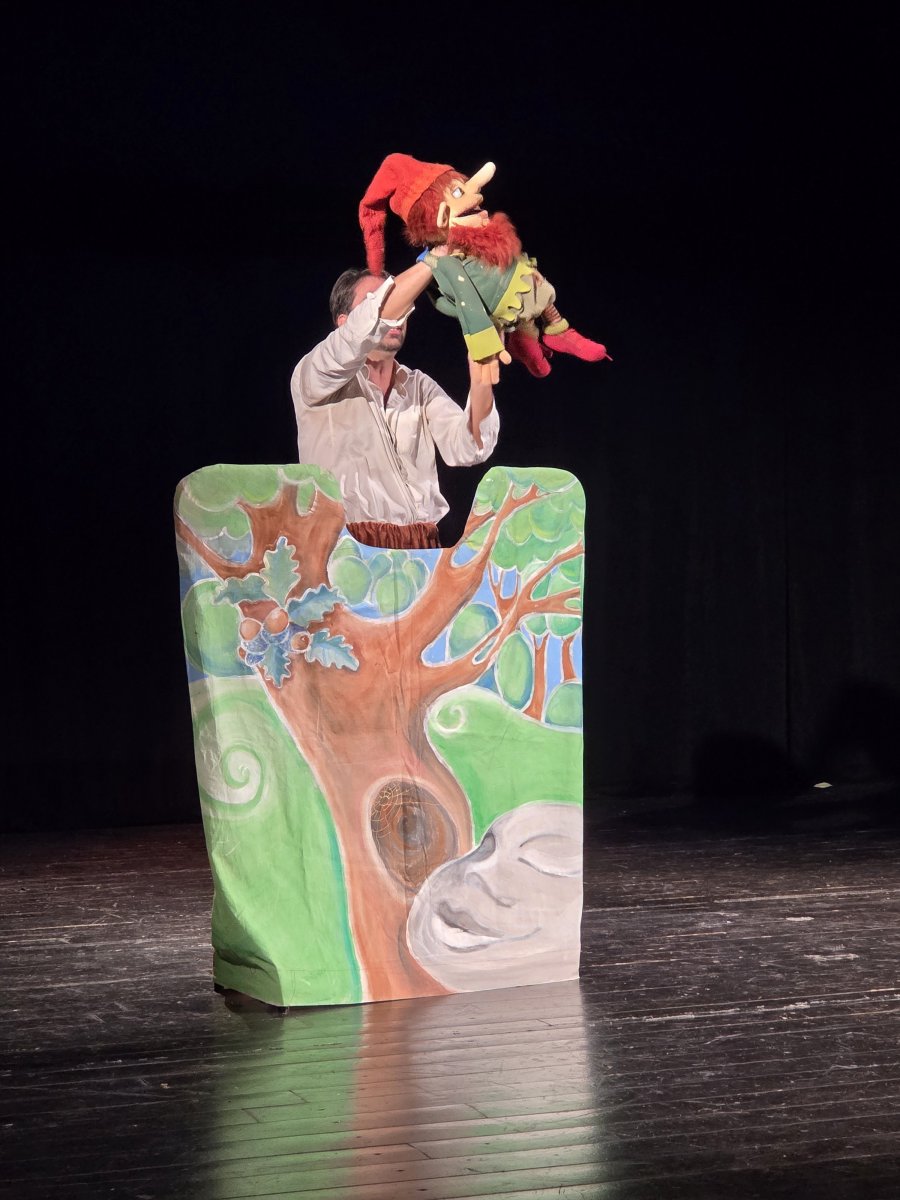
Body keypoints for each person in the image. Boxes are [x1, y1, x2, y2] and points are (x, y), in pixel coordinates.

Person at [290, 255, 500, 549]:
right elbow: (366, 327)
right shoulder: (315, 373)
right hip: (345, 546)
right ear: (344, 323)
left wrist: (481, 380)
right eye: (380, 300)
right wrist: (436, 259)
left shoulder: (418, 386)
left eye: (401, 302)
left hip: (418, 545)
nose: (398, 312)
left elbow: (469, 446)